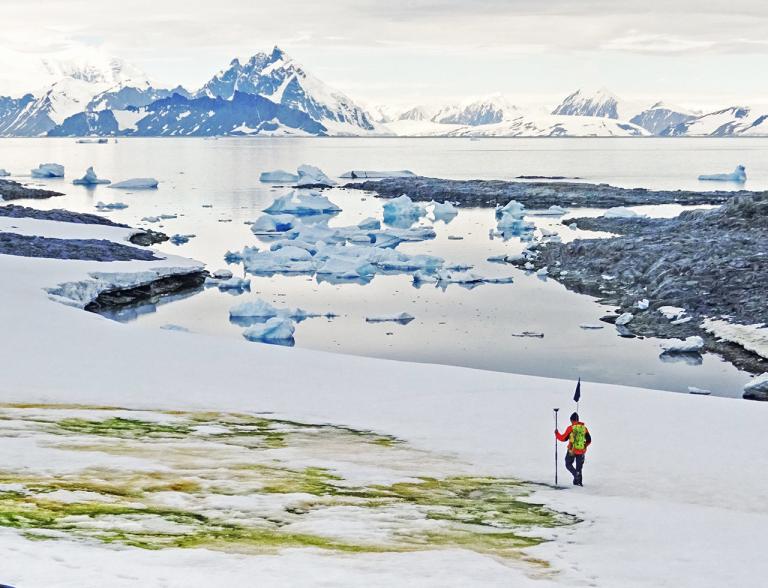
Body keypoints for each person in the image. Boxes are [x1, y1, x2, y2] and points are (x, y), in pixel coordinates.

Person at [555, 412, 591, 486]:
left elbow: (563, 438)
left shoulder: (570, 428)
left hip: (572, 450)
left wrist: (556, 434)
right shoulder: (584, 428)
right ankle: (578, 483)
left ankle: (575, 474)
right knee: (579, 468)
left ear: (571, 420)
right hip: (581, 451)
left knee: (568, 464)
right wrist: (584, 446)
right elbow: (589, 440)